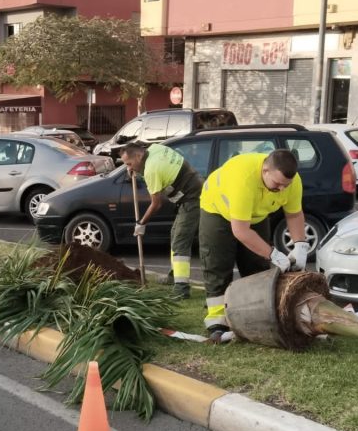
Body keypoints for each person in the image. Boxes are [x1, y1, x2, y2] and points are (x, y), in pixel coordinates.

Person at [198, 149, 309, 340]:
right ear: (265, 170)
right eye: (277, 184)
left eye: (286, 185)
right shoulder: (244, 180)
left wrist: (300, 245)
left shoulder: (292, 182)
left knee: (256, 265)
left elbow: (294, 214)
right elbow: (240, 231)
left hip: (256, 214)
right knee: (218, 263)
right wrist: (273, 254)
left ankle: (257, 314)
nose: (282, 189)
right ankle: (217, 321)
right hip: (217, 210)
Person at [120, 142, 202, 299]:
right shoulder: (155, 149)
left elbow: (156, 203)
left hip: (193, 198)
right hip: (192, 190)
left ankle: (182, 289)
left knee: (180, 241)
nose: (129, 168)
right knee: (175, 235)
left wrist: (141, 223)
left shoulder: (151, 170)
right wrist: (136, 171)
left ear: (138, 156)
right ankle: (174, 276)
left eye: (129, 164)